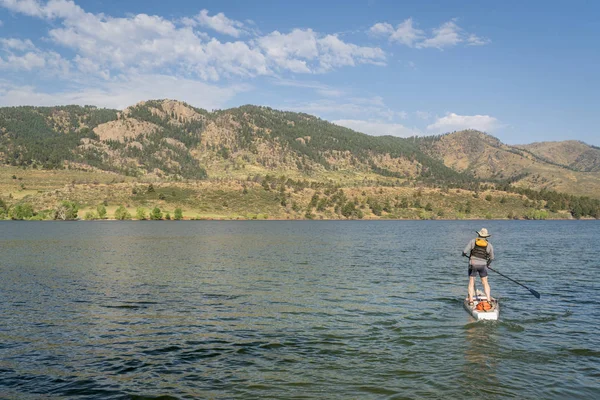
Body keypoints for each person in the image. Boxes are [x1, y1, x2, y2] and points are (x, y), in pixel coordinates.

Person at [462, 228, 495, 306]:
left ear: (479, 234)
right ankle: (488, 300)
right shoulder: (489, 245)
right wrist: (487, 264)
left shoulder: (473, 241)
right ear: (486, 236)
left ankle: (471, 301)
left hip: (473, 265)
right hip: (483, 266)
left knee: (471, 282)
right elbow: (492, 257)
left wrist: (463, 254)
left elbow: (465, 251)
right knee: (485, 282)